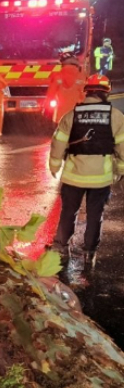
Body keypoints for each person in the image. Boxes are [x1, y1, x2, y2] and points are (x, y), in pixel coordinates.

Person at [48, 74, 124, 271]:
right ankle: (89, 251)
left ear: (87, 91)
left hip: (74, 176)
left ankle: (61, 246)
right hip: (100, 178)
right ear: (106, 92)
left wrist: (55, 166)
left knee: (68, 212)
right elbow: (123, 147)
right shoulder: (116, 116)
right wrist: (120, 170)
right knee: (94, 214)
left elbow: (58, 143)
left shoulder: (71, 115)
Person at [44, 51, 86, 123]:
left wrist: (46, 110)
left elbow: (50, 95)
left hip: (60, 116)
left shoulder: (57, 77)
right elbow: (86, 96)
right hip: (78, 115)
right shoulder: (82, 78)